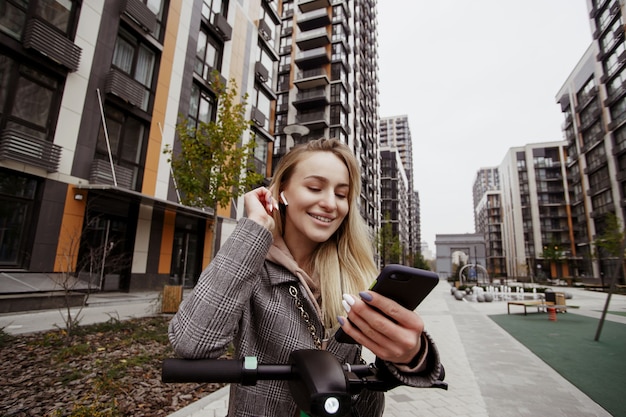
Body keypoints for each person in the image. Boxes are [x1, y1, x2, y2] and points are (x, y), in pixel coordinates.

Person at [168, 138, 445, 416]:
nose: (329, 203)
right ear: (282, 191)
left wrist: (411, 355)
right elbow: (192, 342)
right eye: (315, 188)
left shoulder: (355, 272)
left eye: (341, 194)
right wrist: (255, 226)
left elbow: (390, 369)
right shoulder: (249, 265)